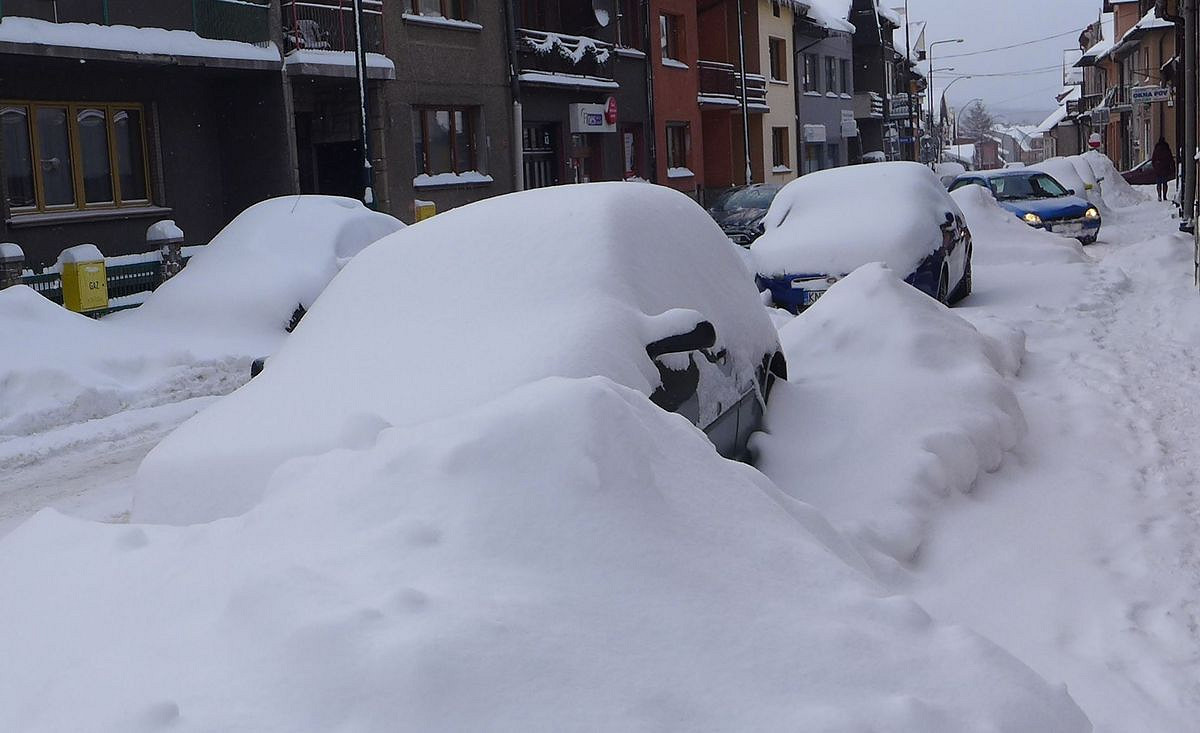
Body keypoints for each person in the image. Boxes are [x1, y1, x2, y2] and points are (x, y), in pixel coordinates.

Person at [1151, 137, 1176, 202]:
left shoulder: (1156, 149)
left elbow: (1153, 159)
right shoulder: (1166, 148)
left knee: (1158, 183)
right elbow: (1170, 158)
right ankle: (1164, 196)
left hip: (1158, 169)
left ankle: (1159, 196)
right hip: (1165, 168)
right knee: (1165, 183)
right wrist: (1172, 167)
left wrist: (1155, 167)